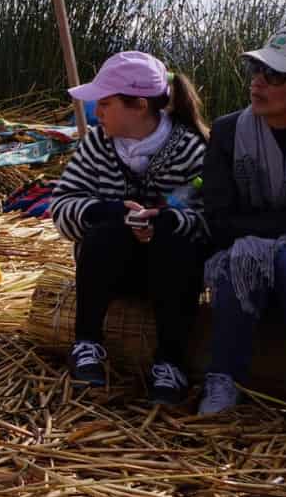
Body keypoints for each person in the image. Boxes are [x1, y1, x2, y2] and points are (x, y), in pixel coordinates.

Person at [197, 24, 286, 435]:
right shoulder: (228, 132)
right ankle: (222, 379)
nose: (257, 84)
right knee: (243, 259)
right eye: (256, 70)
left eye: (275, 75)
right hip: (239, 252)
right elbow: (220, 221)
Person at [46, 51, 209, 404]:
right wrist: (107, 211)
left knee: (176, 243)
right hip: (111, 271)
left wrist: (165, 222)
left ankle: (170, 363)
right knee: (106, 231)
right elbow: (60, 206)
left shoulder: (189, 150)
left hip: (168, 279)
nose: (97, 112)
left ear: (138, 105)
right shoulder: (97, 144)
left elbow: (209, 221)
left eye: (105, 103)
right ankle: (86, 343)